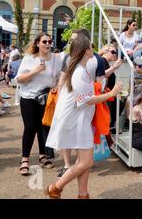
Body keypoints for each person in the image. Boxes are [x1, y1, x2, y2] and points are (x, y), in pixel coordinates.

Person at [45, 35, 123, 199]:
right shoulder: (79, 72)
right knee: (86, 162)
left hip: (80, 120)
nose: (93, 50)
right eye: (91, 47)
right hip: (76, 122)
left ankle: (83, 194)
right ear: (87, 51)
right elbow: (85, 101)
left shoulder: (80, 70)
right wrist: (112, 93)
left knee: (83, 161)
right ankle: (55, 188)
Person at [57, 29, 106, 178]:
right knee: (82, 156)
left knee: (84, 157)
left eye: (74, 39)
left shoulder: (97, 59)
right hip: (76, 106)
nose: (71, 42)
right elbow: (63, 82)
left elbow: (100, 81)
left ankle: (81, 190)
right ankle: (66, 167)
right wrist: (60, 104)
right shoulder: (69, 59)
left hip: (86, 108)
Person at [16, 33, 63, 175]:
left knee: (44, 126)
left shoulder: (56, 59)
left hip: (46, 98)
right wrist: (35, 71)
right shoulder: (29, 59)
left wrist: (56, 86)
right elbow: (19, 79)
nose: (48, 44)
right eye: (44, 42)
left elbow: (59, 76)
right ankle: (25, 159)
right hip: (29, 97)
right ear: (37, 43)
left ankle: (43, 155)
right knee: (30, 127)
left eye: (50, 41)